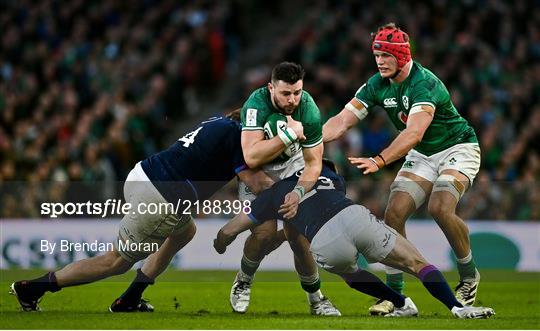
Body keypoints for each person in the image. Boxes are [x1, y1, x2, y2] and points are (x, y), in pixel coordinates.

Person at [10, 113, 273, 312]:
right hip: (161, 197)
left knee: (185, 232)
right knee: (116, 261)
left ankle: (132, 297)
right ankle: (32, 288)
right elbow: (259, 184)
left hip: (143, 174)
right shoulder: (239, 139)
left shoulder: (219, 122)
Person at [323, 22, 482, 314]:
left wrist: (379, 160)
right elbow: (342, 120)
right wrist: (314, 141)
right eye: (377, 56)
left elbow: (413, 134)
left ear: (402, 56)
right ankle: (397, 298)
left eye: (386, 56)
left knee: (440, 207)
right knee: (393, 214)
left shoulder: (424, 83)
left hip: (458, 148)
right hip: (423, 155)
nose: (380, 62)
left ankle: (469, 275)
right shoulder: (376, 84)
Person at [214, 162, 495, 319]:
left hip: (323, 241)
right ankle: (458, 308)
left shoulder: (273, 195)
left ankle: (400, 303)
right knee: (415, 262)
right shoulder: (330, 176)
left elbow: (231, 230)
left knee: (351, 275)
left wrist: (220, 241)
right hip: (354, 216)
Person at [231, 61, 340, 316]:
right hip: (257, 173)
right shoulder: (255, 105)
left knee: (298, 234)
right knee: (264, 234)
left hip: (293, 168)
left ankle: (317, 299)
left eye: (297, 92)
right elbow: (252, 157)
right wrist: (289, 136)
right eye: (285, 94)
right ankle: (243, 281)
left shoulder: (309, 109)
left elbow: (314, 164)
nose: (292, 100)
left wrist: (298, 192)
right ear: (271, 88)